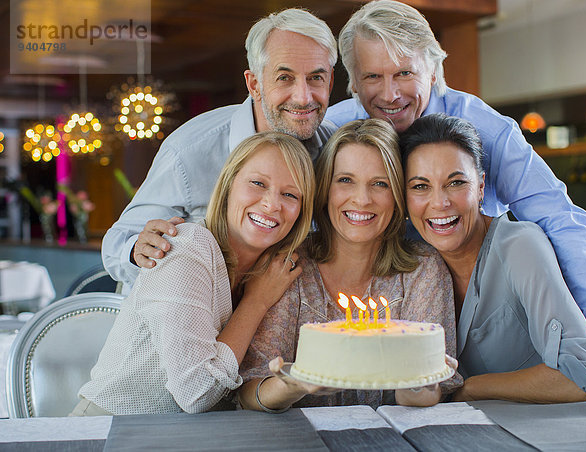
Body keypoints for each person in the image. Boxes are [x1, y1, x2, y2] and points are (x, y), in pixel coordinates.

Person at [325, 0, 586, 345]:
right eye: (373, 77)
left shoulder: (488, 130)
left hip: (483, 317)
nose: (390, 94)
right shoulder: (333, 133)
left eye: (405, 73)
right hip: (383, 316)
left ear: (434, 71)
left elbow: (559, 221)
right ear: (353, 82)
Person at [71, 132, 315, 415]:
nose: (272, 204)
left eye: (290, 194)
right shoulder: (187, 247)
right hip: (110, 428)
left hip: (183, 437)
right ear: (228, 185)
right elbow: (197, 393)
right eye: (257, 183)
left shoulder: (273, 269)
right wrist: (256, 302)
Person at [102, 8, 337, 293]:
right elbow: (117, 245)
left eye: (316, 78)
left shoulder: (334, 148)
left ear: (331, 82)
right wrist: (138, 249)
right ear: (254, 84)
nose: (303, 97)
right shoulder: (190, 149)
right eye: (284, 78)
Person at [236, 119, 461, 412]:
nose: (362, 199)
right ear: (325, 188)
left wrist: (418, 385)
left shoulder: (422, 270)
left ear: (397, 195)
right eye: (345, 180)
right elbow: (249, 392)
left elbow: (429, 394)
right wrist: (294, 384)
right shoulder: (287, 265)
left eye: (379, 184)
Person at [400, 113, 586, 403]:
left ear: (480, 186)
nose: (440, 203)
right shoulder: (411, 257)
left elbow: (583, 377)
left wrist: (467, 389)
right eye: (420, 186)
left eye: (456, 183)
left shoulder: (519, 245)